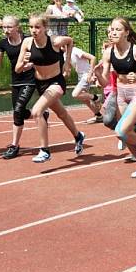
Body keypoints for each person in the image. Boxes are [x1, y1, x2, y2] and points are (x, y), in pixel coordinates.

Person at [14, 13, 86, 162]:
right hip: (40, 84)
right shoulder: (27, 43)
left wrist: (66, 63)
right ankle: (78, 136)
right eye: (31, 27)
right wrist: (24, 63)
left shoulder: (55, 41)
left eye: (37, 27)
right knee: (62, 113)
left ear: (45, 28)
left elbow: (70, 41)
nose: (34, 30)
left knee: (37, 111)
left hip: (56, 82)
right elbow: (17, 69)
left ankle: (44, 150)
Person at [98, 17, 136, 177]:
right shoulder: (108, 52)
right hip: (121, 94)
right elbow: (105, 82)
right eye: (112, 29)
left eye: (117, 30)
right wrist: (97, 73)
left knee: (121, 131)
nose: (113, 33)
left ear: (126, 33)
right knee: (127, 131)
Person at [0, 15, 36, 159]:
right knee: (19, 111)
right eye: (4, 27)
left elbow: (41, 56)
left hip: (30, 79)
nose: (6, 30)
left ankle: (14, 146)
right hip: (16, 80)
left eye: (9, 27)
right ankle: (40, 113)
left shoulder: (28, 39)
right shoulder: (3, 43)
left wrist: (31, 65)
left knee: (17, 111)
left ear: (17, 27)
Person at [67, 45, 102, 123]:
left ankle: (96, 98)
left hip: (86, 75)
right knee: (85, 99)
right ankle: (99, 115)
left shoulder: (75, 50)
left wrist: (90, 74)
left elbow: (93, 58)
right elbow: (68, 68)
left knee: (75, 94)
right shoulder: (65, 54)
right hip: (80, 77)